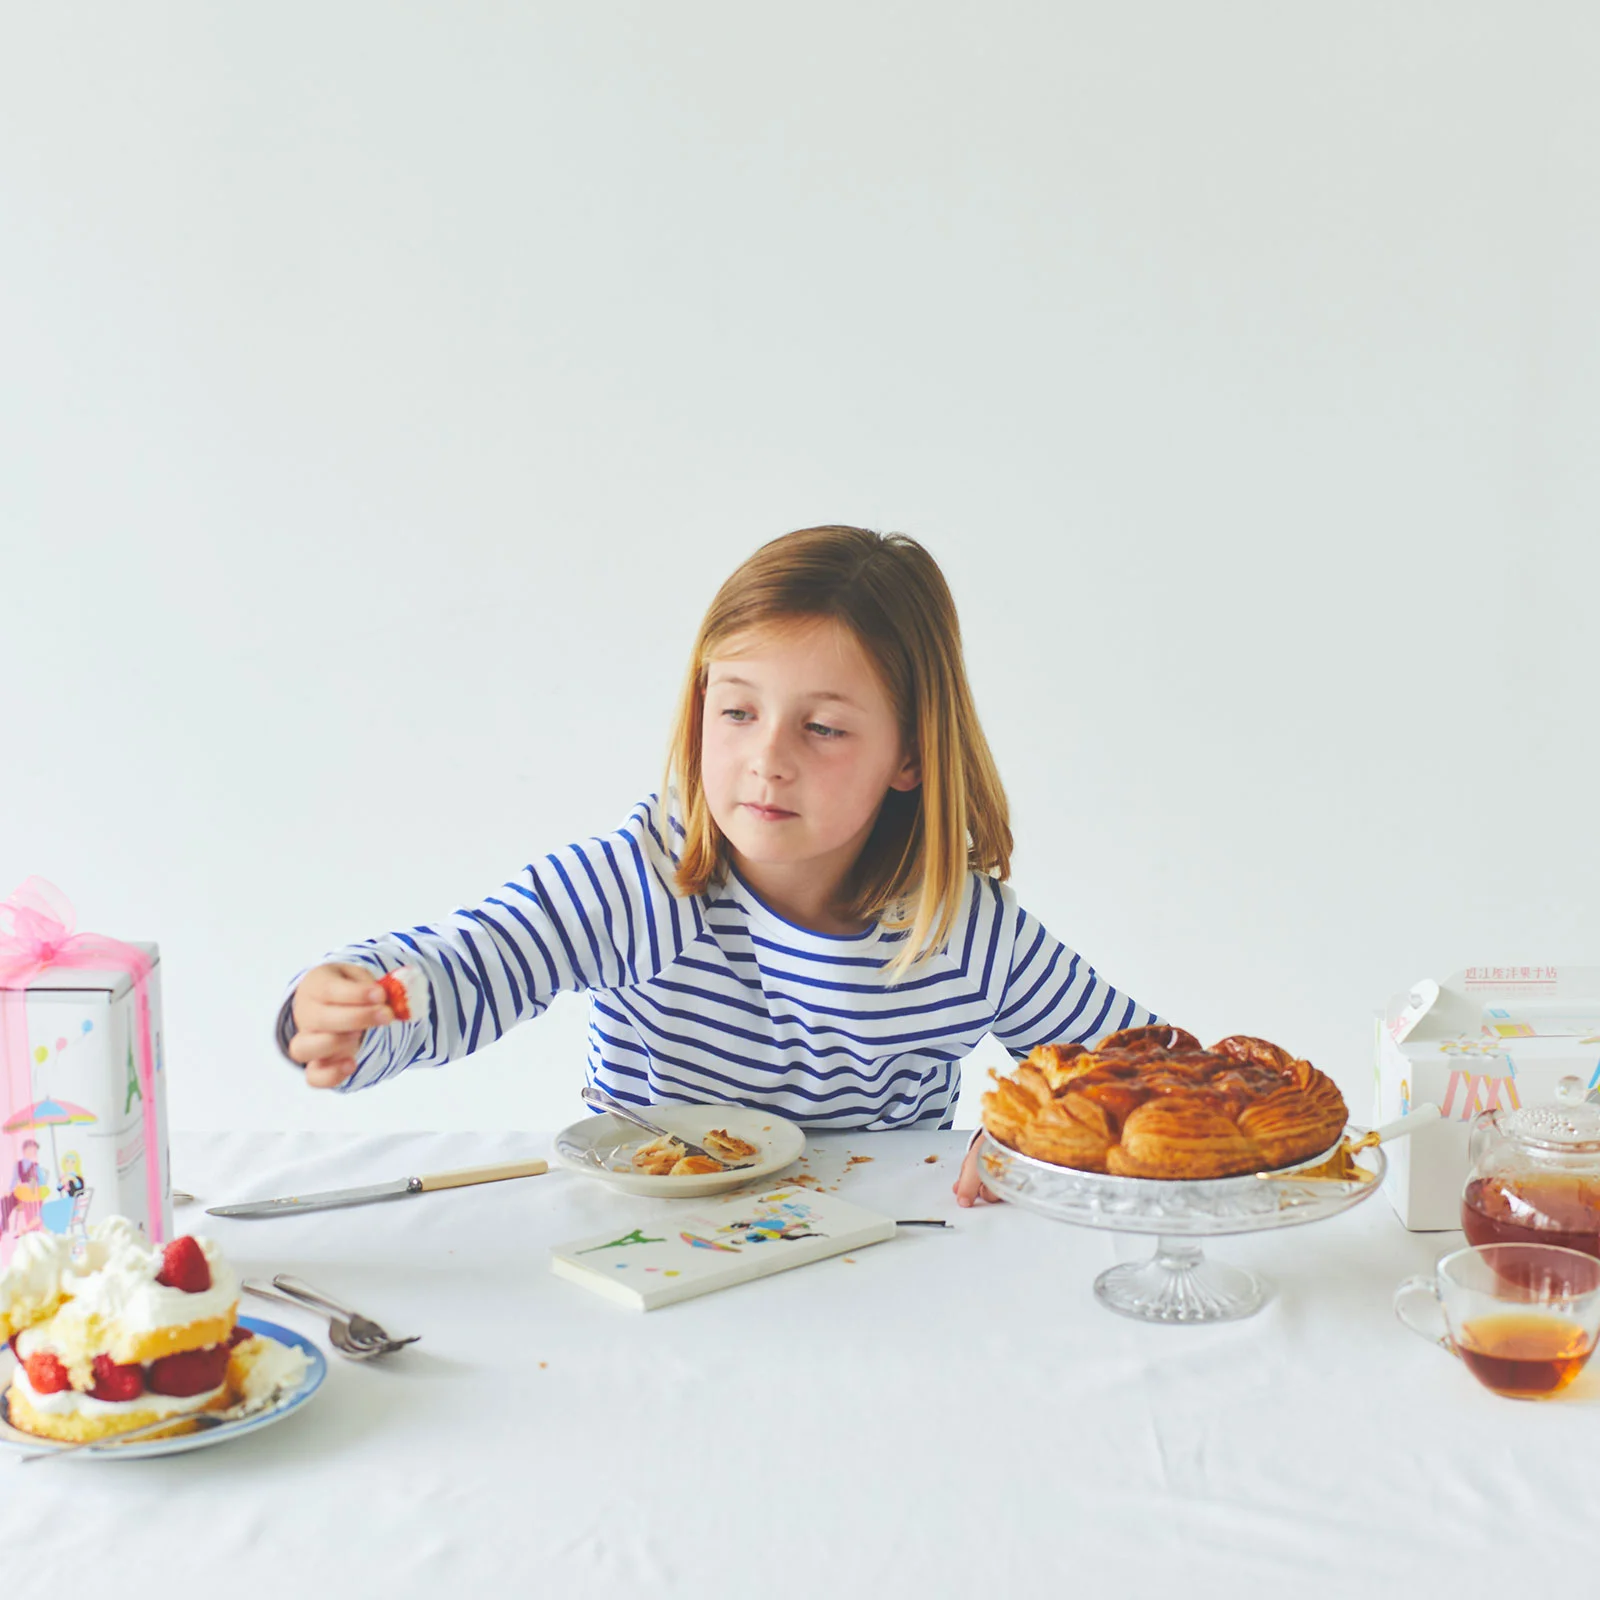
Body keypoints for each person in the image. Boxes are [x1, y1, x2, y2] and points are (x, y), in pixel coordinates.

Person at [277, 525, 1160, 1206]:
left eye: (823, 728)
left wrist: (1030, 1140)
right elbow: (471, 966)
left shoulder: (963, 934)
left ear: (911, 754)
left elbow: (1145, 1078)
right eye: (738, 712)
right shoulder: (639, 882)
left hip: (882, 1271)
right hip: (643, 1249)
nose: (767, 760)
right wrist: (344, 1012)